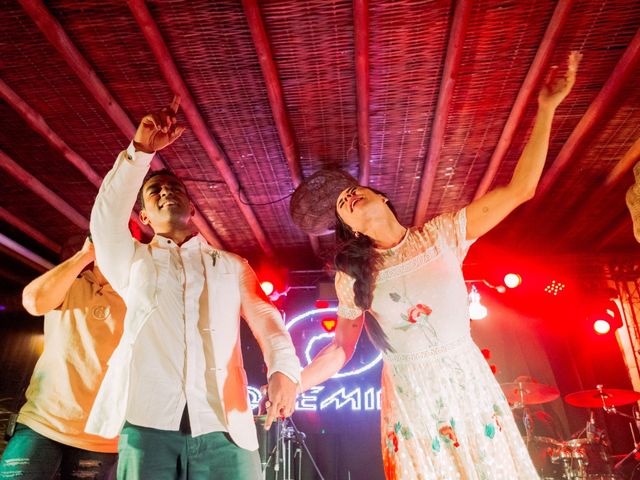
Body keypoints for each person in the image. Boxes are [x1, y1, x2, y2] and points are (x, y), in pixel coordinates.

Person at [294, 51, 581, 479]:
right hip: (410, 394)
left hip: (466, 378)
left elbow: (521, 189)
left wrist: (546, 109)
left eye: (353, 192)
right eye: (341, 207)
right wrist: (293, 385)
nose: (348, 200)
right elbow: (339, 349)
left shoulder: (443, 235)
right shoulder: (352, 275)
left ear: (382, 198)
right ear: (349, 229)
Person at [86, 96, 301, 479]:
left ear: (193, 208)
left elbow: (268, 321)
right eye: (154, 192)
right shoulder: (131, 260)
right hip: (147, 422)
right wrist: (139, 155)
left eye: (174, 188)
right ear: (144, 216)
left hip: (225, 426)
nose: (165, 191)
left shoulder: (231, 266)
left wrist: (283, 370)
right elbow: (104, 222)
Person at [0, 237, 125, 480]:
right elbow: (33, 301)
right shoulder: (70, 285)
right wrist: (84, 255)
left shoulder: (134, 297)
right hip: (41, 424)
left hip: (98, 438)